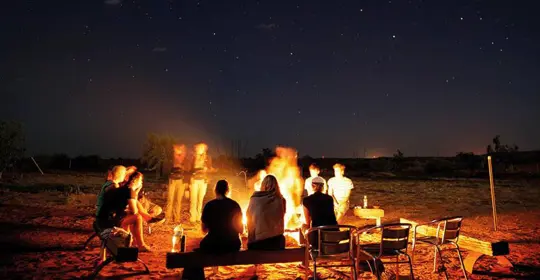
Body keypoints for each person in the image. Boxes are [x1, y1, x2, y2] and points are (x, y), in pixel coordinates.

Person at [97, 171, 151, 251]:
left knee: (130, 215)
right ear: (135, 181)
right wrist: (136, 192)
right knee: (137, 217)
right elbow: (134, 211)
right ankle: (141, 245)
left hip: (101, 219)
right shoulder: (129, 190)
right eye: (141, 180)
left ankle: (133, 241)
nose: (142, 182)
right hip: (108, 222)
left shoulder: (123, 189)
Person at [247, 175, 286, 250]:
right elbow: (281, 217)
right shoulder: (281, 200)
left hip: (260, 242)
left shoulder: (254, 199)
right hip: (278, 242)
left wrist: (250, 240)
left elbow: (250, 223)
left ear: (263, 185)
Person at [302, 176, 338, 248]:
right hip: (334, 235)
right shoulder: (329, 198)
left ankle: (308, 244)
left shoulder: (306, 200)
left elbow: (307, 222)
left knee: (303, 226)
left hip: (318, 237)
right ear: (323, 187)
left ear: (312, 186)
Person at [189, 142, 213, 223]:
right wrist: (190, 177)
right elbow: (189, 168)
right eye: (199, 147)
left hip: (203, 181)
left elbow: (209, 168)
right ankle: (192, 218)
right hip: (194, 181)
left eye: (202, 147)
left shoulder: (207, 158)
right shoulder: (193, 157)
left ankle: (198, 218)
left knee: (200, 199)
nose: (200, 149)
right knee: (193, 199)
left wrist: (208, 169)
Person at [166, 144, 187, 223]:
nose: (178, 151)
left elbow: (187, 168)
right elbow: (167, 167)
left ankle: (176, 219)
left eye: (180, 149)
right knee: (170, 199)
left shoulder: (184, 159)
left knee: (178, 200)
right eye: (176, 149)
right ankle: (168, 218)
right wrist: (177, 166)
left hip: (181, 181)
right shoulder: (171, 159)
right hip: (172, 180)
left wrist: (180, 167)